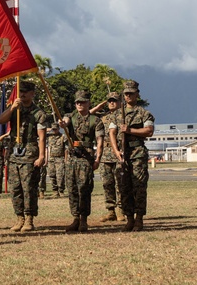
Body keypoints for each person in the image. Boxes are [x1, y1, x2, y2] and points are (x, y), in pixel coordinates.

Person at [0, 80, 47, 233]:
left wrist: (41, 156)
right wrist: (12, 108)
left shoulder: (38, 113)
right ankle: (19, 218)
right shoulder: (15, 110)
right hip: (14, 153)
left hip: (30, 154)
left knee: (29, 188)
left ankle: (29, 218)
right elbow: (0, 120)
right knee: (15, 188)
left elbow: (42, 137)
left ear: (32, 94)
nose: (23, 94)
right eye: (21, 92)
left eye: (26, 92)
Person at [108, 80, 154, 232]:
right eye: (126, 93)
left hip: (137, 154)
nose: (128, 96)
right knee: (124, 187)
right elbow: (112, 133)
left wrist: (130, 131)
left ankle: (139, 219)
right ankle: (129, 219)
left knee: (139, 187)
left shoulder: (144, 113)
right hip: (122, 155)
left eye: (131, 93)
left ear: (137, 94)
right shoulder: (116, 114)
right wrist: (116, 152)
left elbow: (149, 131)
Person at [59, 90, 104, 233]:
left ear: (88, 103)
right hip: (72, 157)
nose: (80, 104)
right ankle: (75, 218)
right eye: (77, 102)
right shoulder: (70, 117)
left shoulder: (95, 121)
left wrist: (97, 159)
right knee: (72, 188)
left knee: (84, 188)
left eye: (83, 101)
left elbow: (99, 141)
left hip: (86, 157)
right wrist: (63, 124)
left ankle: (84, 219)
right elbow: (65, 122)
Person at [97, 92, 124, 222]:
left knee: (120, 183)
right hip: (105, 154)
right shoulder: (102, 117)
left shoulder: (123, 115)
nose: (112, 103)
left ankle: (121, 210)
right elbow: (88, 113)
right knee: (107, 183)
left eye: (114, 100)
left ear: (120, 102)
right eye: (109, 101)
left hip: (119, 152)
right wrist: (102, 103)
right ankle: (110, 210)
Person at [45, 127, 66, 198]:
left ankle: (61, 191)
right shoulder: (49, 137)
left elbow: (66, 149)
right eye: (53, 129)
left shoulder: (62, 137)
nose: (54, 131)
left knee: (60, 175)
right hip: (51, 158)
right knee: (52, 175)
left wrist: (65, 159)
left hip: (60, 158)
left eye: (55, 129)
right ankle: (55, 191)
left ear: (58, 129)